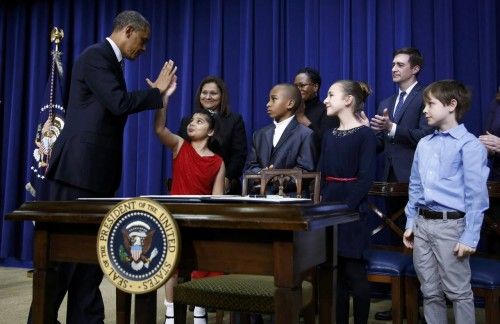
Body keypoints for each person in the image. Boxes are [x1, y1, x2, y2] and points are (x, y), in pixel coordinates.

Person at [35, 10, 177, 324]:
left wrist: (156, 98)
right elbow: (118, 103)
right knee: (62, 257)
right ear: (128, 30)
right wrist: (156, 93)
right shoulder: (96, 56)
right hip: (76, 172)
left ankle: (85, 319)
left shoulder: (112, 63)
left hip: (95, 174)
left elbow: (113, 108)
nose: (144, 48)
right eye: (143, 40)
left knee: (90, 258)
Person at [403, 80, 489, 324]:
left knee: (458, 292)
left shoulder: (469, 145)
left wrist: (470, 235)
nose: (424, 110)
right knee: (429, 292)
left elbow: (476, 197)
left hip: (451, 227)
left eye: (430, 104)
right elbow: (415, 186)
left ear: (452, 105)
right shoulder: (424, 144)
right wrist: (411, 221)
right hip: (422, 225)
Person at [369, 48, 432, 321]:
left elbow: (426, 135)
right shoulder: (387, 100)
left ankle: (419, 304)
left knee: (420, 242)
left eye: (400, 64)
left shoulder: (426, 97)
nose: (393, 69)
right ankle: (402, 304)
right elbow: (382, 144)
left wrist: (392, 129)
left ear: (415, 68)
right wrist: (368, 130)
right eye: (392, 64)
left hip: (418, 180)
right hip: (390, 179)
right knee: (399, 239)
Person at [155, 76, 225, 324]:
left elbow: (218, 198)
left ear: (212, 130)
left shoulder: (217, 161)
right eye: (191, 121)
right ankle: (171, 313)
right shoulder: (180, 146)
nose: (192, 124)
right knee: (171, 265)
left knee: (204, 259)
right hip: (175, 218)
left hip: (201, 218)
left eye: (200, 121)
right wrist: (163, 98)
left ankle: (199, 310)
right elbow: (160, 130)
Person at [320, 80, 376, 324]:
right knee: (337, 274)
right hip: (329, 209)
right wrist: (322, 204)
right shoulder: (328, 134)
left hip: (352, 211)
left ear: (348, 100)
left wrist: (345, 209)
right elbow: (321, 173)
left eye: (331, 94)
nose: (325, 100)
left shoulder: (365, 135)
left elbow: (366, 178)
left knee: (354, 271)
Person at [178, 76, 247, 194]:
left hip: (225, 186)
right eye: (204, 93)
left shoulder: (234, 120)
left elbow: (239, 155)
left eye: (213, 93)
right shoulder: (187, 120)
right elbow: (181, 152)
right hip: (192, 184)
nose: (208, 97)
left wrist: (226, 178)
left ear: (222, 96)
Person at [245, 83, 316, 176]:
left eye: (274, 99)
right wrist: (261, 173)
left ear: (290, 103)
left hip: (289, 190)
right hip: (261, 190)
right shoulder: (259, 134)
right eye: (269, 99)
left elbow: (305, 169)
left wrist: (277, 178)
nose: (268, 104)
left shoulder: (305, 134)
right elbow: (251, 166)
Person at [293, 67, 339, 154]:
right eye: (296, 86)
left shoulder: (327, 111)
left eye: (302, 85)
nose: (298, 89)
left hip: (315, 165)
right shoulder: (291, 111)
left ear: (315, 87)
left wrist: (303, 120)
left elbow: (327, 144)